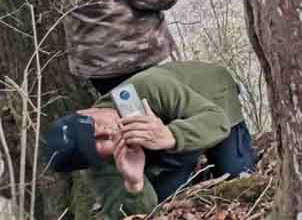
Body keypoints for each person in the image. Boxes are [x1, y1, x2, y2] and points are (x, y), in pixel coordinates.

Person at [44, 61, 257, 220]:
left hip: (211, 97)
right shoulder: (99, 168)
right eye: (97, 145)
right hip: (168, 145)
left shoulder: (145, 88)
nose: (109, 132)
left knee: (239, 177)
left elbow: (216, 120)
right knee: (166, 202)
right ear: (93, 161)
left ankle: (198, 161)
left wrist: (171, 136)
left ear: (86, 111)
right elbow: (136, 215)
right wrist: (134, 183)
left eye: (93, 125)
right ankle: (192, 167)